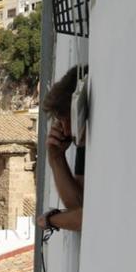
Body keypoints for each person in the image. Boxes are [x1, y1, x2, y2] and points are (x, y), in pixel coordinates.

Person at [37, 66, 86, 233]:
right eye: (61, 122)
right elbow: (78, 206)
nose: (65, 131)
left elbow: (83, 218)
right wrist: (56, 157)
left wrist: (50, 220)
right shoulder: (83, 145)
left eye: (67, 119)